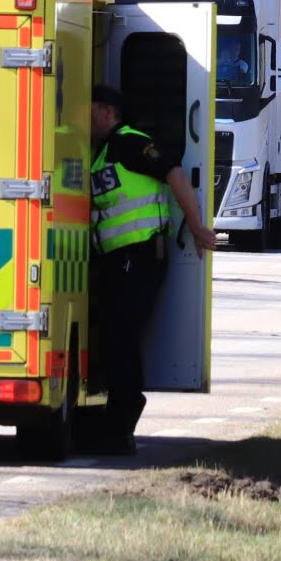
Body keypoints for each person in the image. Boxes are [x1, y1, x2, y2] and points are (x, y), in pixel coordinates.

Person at [86, 84, 217, 452]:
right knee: (114, 337)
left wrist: (195, 226)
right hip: (118, 258)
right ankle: (114, 421)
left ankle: (122, 420)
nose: (86, 117)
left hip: (140, 255)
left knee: (121, 338)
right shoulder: (103, 152)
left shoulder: (130, 141)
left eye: (91, 109)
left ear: (108, 111)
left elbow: (174, 172)